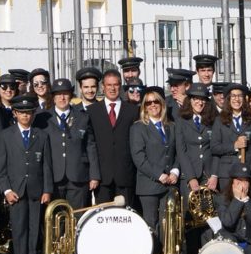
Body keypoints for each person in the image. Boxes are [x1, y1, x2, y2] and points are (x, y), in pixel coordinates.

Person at [0, 94, 52, 254]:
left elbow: (46, 164)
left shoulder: (42, 135)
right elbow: (1, 168)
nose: (26, 116)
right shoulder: (6, 135)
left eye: (29, 113)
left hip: (36, 190)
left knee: (34, 229)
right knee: (19, 229)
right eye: (22, 113)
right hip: (16, 191)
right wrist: (7, 190)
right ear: (15, 114)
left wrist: (47, 189)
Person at [41, 78, 100, 211]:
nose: (62, 98)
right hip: (54, 178)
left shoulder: (83, 117)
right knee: (56, 219)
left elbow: (90, 146)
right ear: (53, 97)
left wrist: (94, 175)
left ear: (71, 96)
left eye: (65, 94)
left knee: (77, 217)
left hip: (78, 176)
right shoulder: (43, 118)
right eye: (58, 94)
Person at [87, 68, 139, 207]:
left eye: (115, 84)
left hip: (126, 175)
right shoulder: (92, 111)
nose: (112, 88)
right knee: (104, 220)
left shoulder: (133, 111)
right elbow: (90, 144)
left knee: (126, 219)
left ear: (120, 86)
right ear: (103, 87)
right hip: (103, 178)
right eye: (108, 85)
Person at [130, 88, 179, 232]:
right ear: (144, 106)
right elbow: (139, 157)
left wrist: (175, 171)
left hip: (169, 184)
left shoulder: (171, 126)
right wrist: (159, 174)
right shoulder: (138, 128)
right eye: (148, 103)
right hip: (149, 185)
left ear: (162, 104)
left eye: (156, 101)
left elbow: (178, 152)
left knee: (168, 226)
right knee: (151, 225)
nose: (152, 105)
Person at [211, 83, 251, 191]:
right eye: (233, 96)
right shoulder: (219, 120)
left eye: (240, 96)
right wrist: (234, 146)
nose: (237, 99)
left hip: (248, 173)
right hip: (227, 174)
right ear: (228, 99)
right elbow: (214, 147)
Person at [211, 162, 251, 254]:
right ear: (232, 182)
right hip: (230, 240)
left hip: (250, 241)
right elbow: (228, 222)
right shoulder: (221, 198)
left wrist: (246, 200)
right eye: (238, 181)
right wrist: (237, 200)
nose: (242, 185)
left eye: (245, 181)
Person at [175, 83, 218, 196]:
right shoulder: (181, 121)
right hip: (189, 175)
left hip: (209, 177)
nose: (199, 102)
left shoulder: (212, 120)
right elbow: (181, 151)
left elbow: (216, 150)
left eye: (203, 99)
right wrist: (191, 177)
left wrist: (214, 175)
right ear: (189, 100)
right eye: (196, 99)